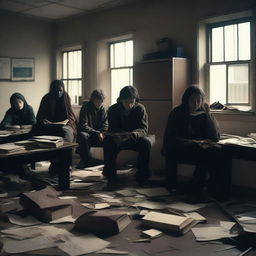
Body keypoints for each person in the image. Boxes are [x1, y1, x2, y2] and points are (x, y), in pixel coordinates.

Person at [162, 85, 231, 200]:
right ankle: (196, 188)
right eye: (192, 100)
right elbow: (171, 138)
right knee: (205, 156)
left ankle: (216, 189)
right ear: (186, 100)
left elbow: (215, 137)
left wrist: (208, 114)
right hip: (178, 148)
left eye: (199, 100)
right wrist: (194, 142)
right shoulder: (177, 113)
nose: (196, 103)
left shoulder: (203, 114)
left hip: (198, 148)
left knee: (218, 152)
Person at [103, 85, 151, 188]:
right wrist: (118, 135)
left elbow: (144, 129)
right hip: (118, 140)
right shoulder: (113, 109)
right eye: (126, 102)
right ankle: (111, 177)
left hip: (134, 139)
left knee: (146, 143)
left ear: (135, 100)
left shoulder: (140, 108)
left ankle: (142, 177)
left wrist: (134, 134)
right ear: (120, 100)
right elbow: (112, 128)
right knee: (107, 141)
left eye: (131, 102)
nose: (129, 105)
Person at [77, 89, 108, 168]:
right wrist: (98, 133)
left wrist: (103, 133)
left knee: (110, 136)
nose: (99, 103)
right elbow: (83, 126)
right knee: (82, 135)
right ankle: (87, 161)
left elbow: (105, 124)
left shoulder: (103, 109)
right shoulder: (85, 108)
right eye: (97, 101)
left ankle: (108, 161)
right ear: (93, 100)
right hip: (89, 134)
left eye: (101, 101)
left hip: (99, 134)